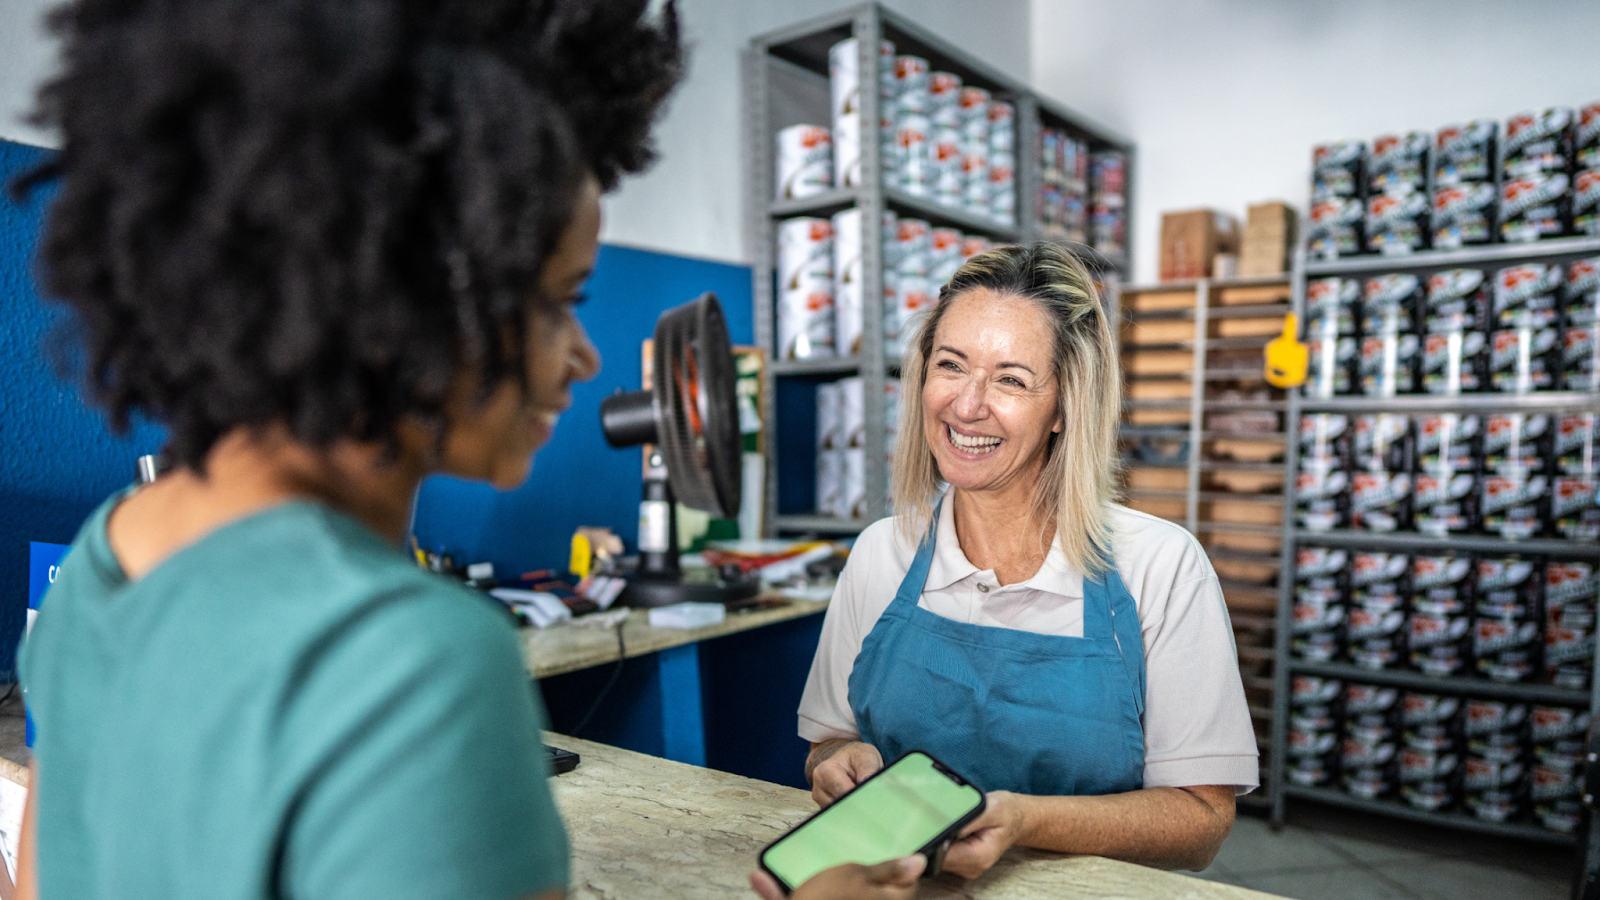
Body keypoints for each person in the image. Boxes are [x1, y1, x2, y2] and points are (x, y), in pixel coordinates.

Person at [797, 242, 1259, 878]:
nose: (966, 405)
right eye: (950, 365)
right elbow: (829, 739)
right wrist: (835, 761)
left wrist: (1025, 820)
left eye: (1011, 379)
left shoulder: (1161, 565)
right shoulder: (884, 551)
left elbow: (1201, 822)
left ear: (1065, 407)